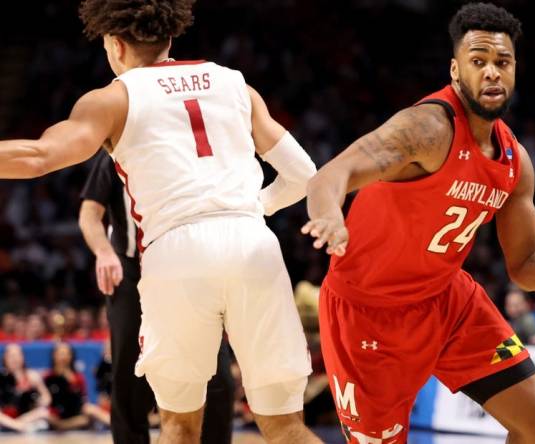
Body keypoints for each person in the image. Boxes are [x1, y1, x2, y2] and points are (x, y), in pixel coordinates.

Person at [302, 3, 535, 443]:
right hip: (369, 315)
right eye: (479, 62)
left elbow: (526, 263)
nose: (492, 72)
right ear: (456, 72)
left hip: (448, 302)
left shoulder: (516, 161)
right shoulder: (426, 128)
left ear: (515, 70)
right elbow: (331, 174)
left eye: (503, 62)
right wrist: (328, 216)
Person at [0, 1, 320, 442]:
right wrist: (252, 208)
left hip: (176, 252)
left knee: (179, 425)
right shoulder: (235, 84)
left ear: (114, 44)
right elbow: (304, 175)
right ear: (170, 37)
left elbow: (39, 157)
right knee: (285, 427)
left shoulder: (113, 98)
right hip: (253, 244)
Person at [79, 150, 235, 444]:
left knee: (218, 375)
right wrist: (102, 251)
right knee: (128, 374)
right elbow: (89, 213)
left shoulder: (188, 148)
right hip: (128, 269)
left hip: (186, 266)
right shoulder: (115, 153)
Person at [43, 341, 111, 430]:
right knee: (44, 414)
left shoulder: (77, 377)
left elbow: (82, 399)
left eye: (66, 354)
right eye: (60, 354)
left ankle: (117, 424)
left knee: (89, 409)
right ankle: (60, 425)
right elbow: (48, 400)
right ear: (54, 355)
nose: (63, 357)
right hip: (56, 416)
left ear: (71, 356)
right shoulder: (48, 377)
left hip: (75, 416)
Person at [0, 344, 50, 432]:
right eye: (11, 356)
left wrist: (41, 401)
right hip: (5, 417)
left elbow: (46, 397)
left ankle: (15, 426)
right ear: (5, 358)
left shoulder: (32, 375)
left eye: (17, 355)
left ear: (22, 357)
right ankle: (18, 426)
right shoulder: (2, 377)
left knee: (43, 412)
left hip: (25, 416)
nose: (14, 359)